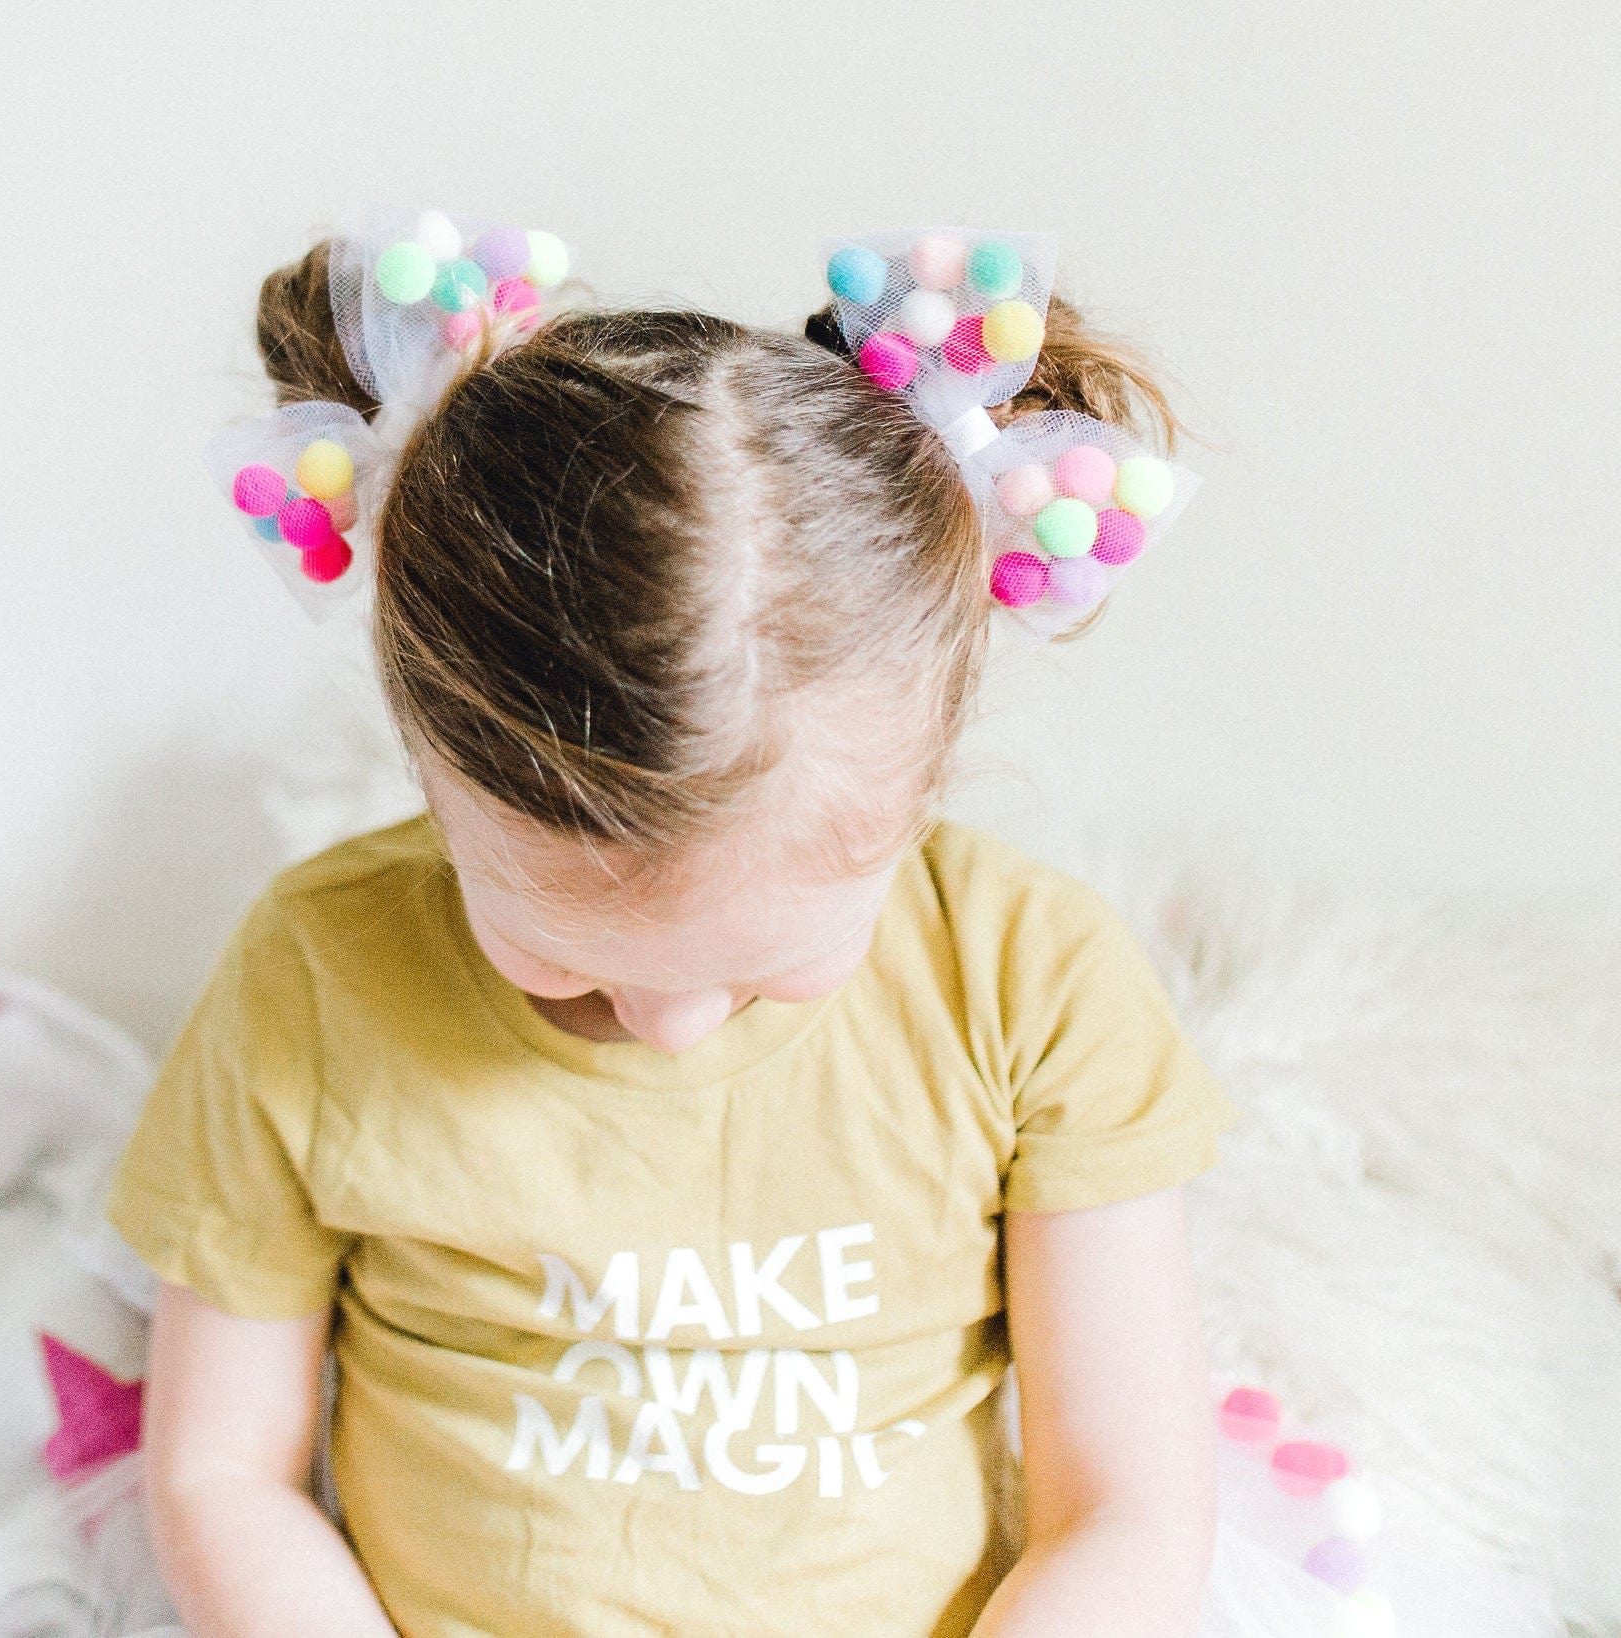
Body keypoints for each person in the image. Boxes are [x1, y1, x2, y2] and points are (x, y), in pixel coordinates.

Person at [107, 212, 1238, 1638]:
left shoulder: (1031, 981)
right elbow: (220, 1472)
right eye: (566, 953)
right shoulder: (316, 973)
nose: (671, 1023)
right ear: (429, 761)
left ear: (923, 786)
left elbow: (1127, 1510)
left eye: (770, 965)